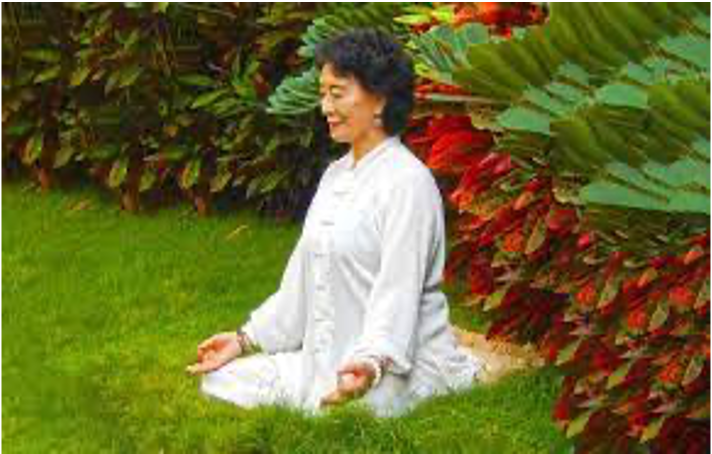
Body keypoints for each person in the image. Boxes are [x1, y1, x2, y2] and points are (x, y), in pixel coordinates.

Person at [187, 28, 484, 418]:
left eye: (337, 93)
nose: (325, 106)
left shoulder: (408, 183)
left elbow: (398, 291)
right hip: (326, 359)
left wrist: (370, 363)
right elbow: (300, 283)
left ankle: (372, 383)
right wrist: (242, 340)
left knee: (343, 414)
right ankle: (328, 382)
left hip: (393, 363)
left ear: (380, 99)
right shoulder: (335, 176)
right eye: (323, 93)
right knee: (222, 380)